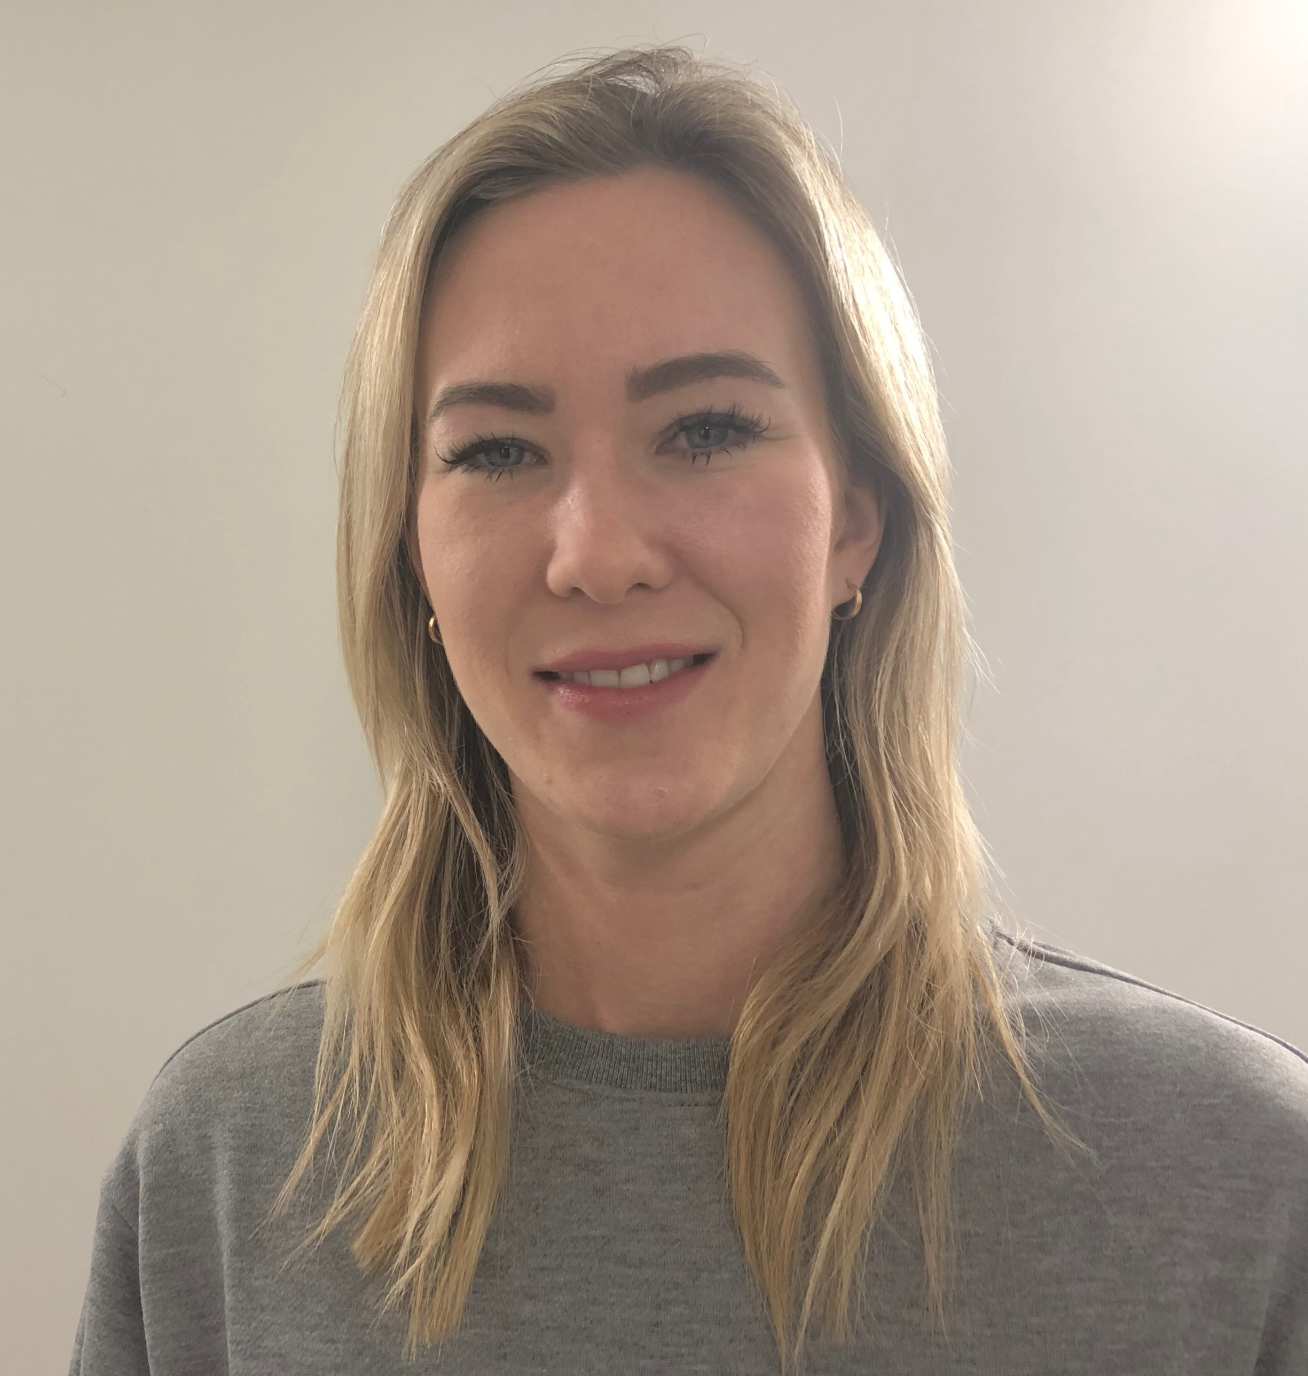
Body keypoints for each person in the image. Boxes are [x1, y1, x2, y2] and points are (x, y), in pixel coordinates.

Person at [69, 43, 1308, 1376]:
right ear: (413, 560)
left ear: (857, 523)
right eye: (497, 451)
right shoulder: (226, 1164)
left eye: (706, 429)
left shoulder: (1237, 1183)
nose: (598, 555)